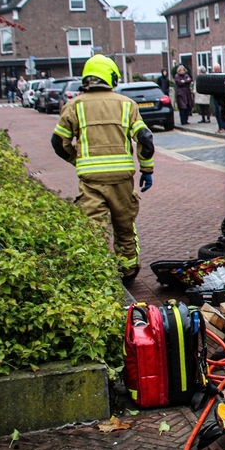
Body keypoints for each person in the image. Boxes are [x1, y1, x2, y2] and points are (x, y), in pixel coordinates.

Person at [51, 54, 155, 288]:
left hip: (90, 181)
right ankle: (127, 272)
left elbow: (59, 143)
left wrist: (77, 161)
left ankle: (95, 275)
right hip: (122, 180)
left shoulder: (74, 105)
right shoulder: (126, 104)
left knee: (92, 232)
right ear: (111, 76)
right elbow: (145, 139)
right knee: (124, 228)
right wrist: (146, 169)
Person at [211, 63, 225, 133]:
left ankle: (223, 127)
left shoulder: (222, 76)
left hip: (221, 97)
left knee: (221, 112)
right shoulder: (212, 76)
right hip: (215, 96)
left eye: (218, 69)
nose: (217, 70)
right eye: (215, 69)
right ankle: (220, 127)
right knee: (216, 112)